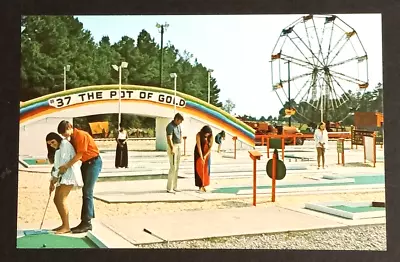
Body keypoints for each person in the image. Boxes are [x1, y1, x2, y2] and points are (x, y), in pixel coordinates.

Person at [57, 120, 102, 233]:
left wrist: (66, 166)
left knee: (87, 192)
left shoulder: (81, 135)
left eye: (64, 132)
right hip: (86, 163)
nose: (64, 135)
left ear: (70, 127)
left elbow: (79, 155)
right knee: (86, 192)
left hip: (94, 162)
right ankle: (87, 220)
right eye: (62, 134)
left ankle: (86, 223)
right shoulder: (72, 139)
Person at [46, 132, 83, 234]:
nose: (52, 145)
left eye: (52, 142)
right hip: (63, 175)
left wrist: (55, 178)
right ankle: (64, 224)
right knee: (56, 199)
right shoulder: (58, 149)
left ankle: (66, 226)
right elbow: (57, 166)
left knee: (61, 198)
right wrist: (52, 181)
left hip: (69, 175)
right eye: (49, 144)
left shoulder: (65, 144)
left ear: (57, 139)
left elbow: (63, 166)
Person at [165, 113, 184, 193]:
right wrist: (172, 148)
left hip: (178, 145)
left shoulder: (178, 125)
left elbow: (180, 133)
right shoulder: (170, 126)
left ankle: (175, 186)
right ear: (176, 119)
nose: (180, 123)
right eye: (180, 121)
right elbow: (169, 138)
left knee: (177, 167)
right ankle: (169, 188)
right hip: (173, 146)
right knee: (173, 167)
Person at [194, 125, 213, 192]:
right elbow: (198, 146)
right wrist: (201, 156)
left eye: (209, 134)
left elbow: (210, 147)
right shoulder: (199, 135)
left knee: (206, 169)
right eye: (206, 133)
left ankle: (205, 184)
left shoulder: (210, 136)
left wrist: (205, 156)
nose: (207, 135)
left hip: (207, 153)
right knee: (199, 168)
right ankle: (200, 185)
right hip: (199, 153)